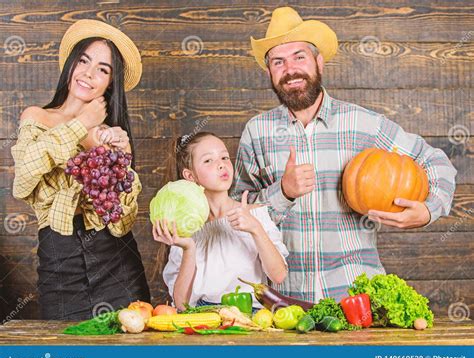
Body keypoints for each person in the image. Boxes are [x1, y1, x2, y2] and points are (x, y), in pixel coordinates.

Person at [233, 7, 457, 302]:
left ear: (318, 62)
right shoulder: (257, 132)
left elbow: (436, 162)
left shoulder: (363, 124)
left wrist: (429, 210)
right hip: (283, 302)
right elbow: (236, 213)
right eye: (278, 61)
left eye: (299, 56)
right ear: (270, 72)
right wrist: (282, 193)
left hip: (355, 298)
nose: (290, 70)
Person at [11, 20, 150, 320]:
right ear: (72, 64)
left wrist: (124, 163)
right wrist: (79, 124)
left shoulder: (110, 136)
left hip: (118, 266)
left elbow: (122, 223)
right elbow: (22, 182)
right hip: (60, 263)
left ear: (111, 82)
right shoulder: (38, 117)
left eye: (103, 69)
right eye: (84, 61)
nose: (88, 73)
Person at [153, 132, 288, 311]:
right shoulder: (186, 230)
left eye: (224, 157)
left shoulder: (254, 215)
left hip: (251, 316)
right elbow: (182, 305)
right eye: (208, 160)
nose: (221, 164)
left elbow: (278, 276)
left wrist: (255, 229)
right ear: (190, 175)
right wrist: (188, 249)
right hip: (204, 317)